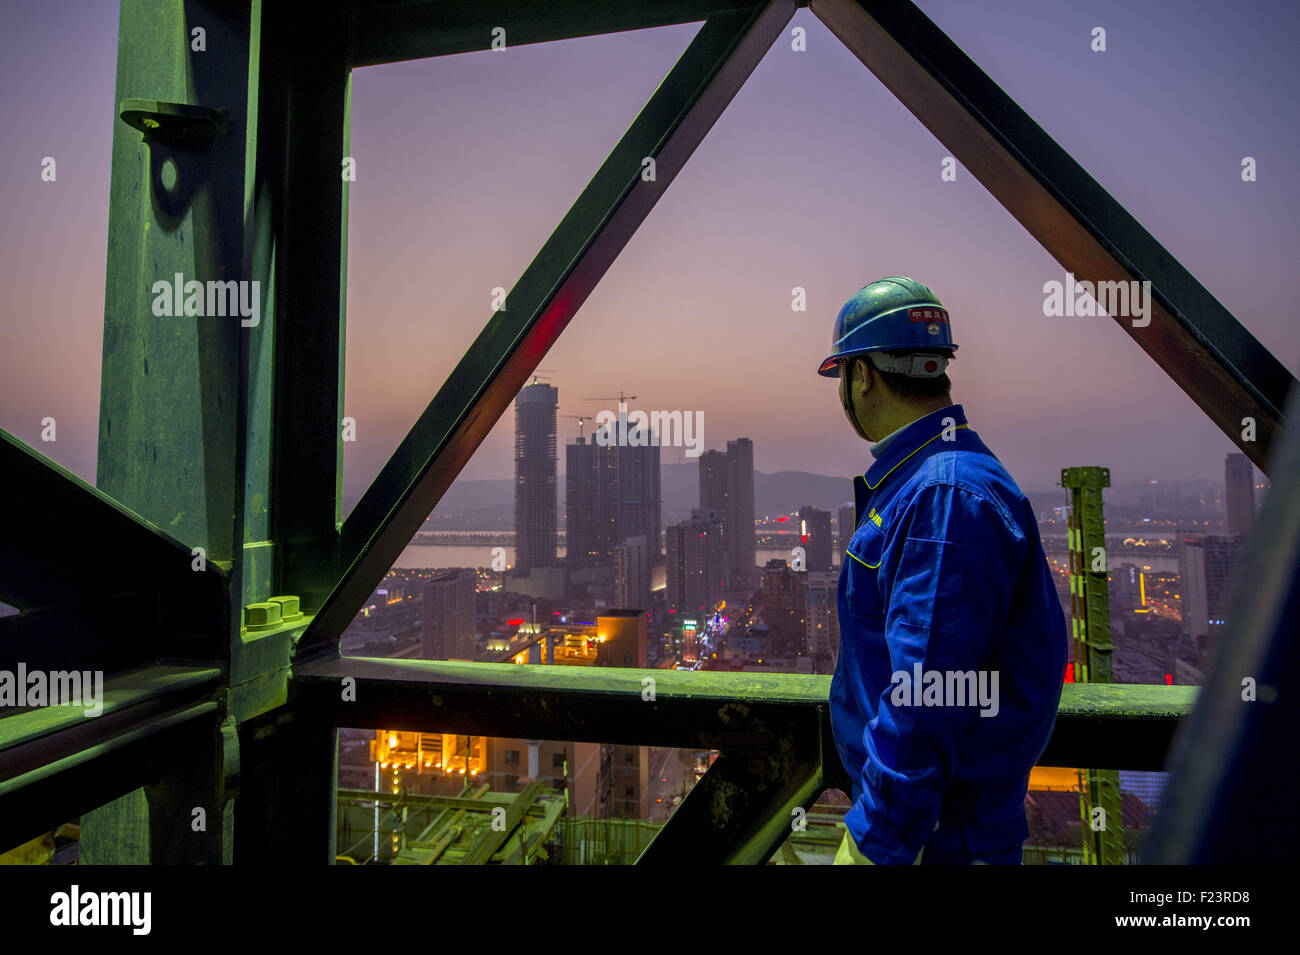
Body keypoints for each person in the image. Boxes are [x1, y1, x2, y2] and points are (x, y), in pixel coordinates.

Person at [820, 276, 1068, 865]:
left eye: (844, 378)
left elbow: (924, 699)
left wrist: (873, 845)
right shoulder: (938, 479)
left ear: (863, 376)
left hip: (933, 842)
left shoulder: (943, 496)